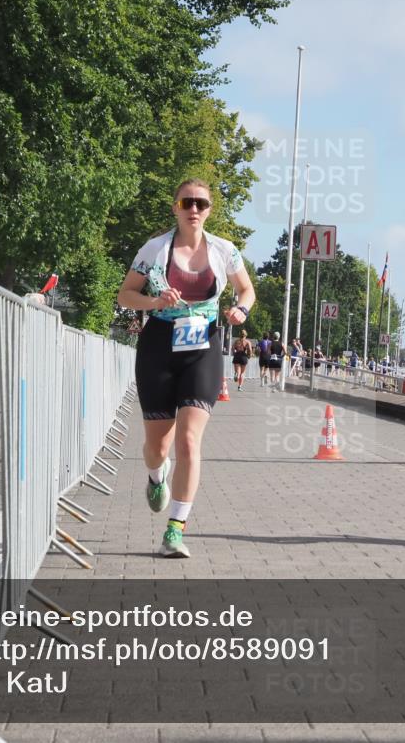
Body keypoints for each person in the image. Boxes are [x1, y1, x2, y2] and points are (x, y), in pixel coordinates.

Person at [117, 179, 255, 558]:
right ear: (175, 207)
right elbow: (125, 294)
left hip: (203, 345)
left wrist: (241, 309)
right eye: (186, 202)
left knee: (189, 440)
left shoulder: (225, 250)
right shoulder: (155, 249)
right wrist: (155, 301)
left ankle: (175, 531)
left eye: (201, 203)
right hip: (159, 344)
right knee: (158, 447)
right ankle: (155, 475)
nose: (194, 209)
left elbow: (247, 289)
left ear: (209, 209)